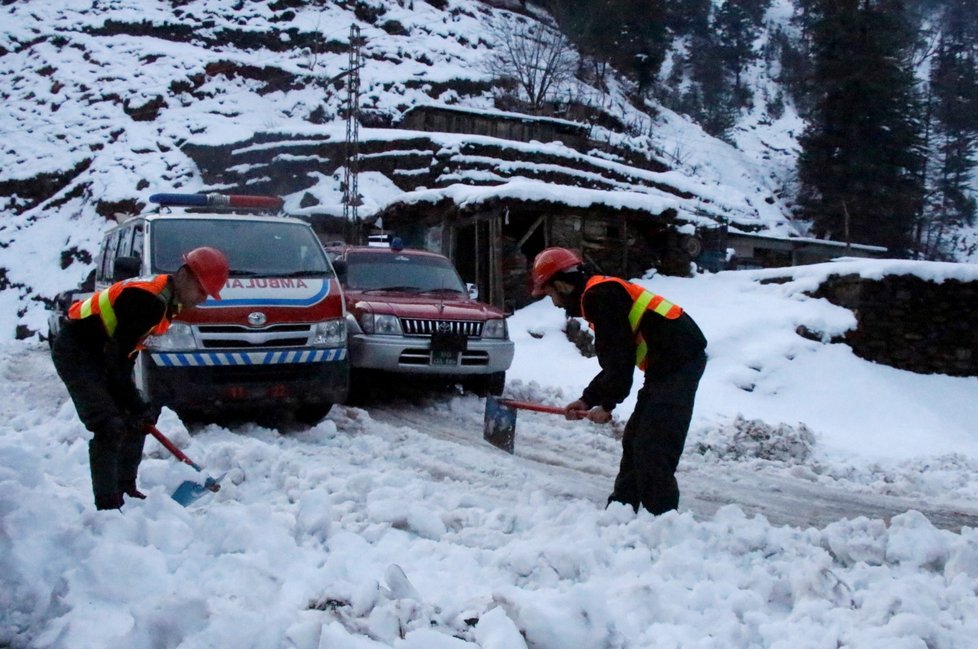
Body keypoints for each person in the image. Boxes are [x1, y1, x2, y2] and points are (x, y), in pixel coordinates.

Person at [530, 247, 707, 515]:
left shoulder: (599, 297)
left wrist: (607, 405)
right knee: (636, 439)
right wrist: (588, 399)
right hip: (666, 366)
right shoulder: (601, 294)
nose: (554, 303)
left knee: (653, 445)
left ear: (562, 285)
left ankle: (663, 522)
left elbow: (620, 363)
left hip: (678, 362)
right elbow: (616, 361)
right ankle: (620, 512)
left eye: (550, 293)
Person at [51, 247, 229, 510]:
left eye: (206, 294)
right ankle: (108, 507)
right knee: (108, 423)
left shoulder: (166, 301)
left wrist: (135, 405)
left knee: (139, 419)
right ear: (183, 274)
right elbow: (117, 359)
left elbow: (126, 352)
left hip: (100, 352)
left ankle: (126, 488)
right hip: (77, 351)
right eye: (200, 290)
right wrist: (132, 400)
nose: (201, 299)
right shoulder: (148, 300)